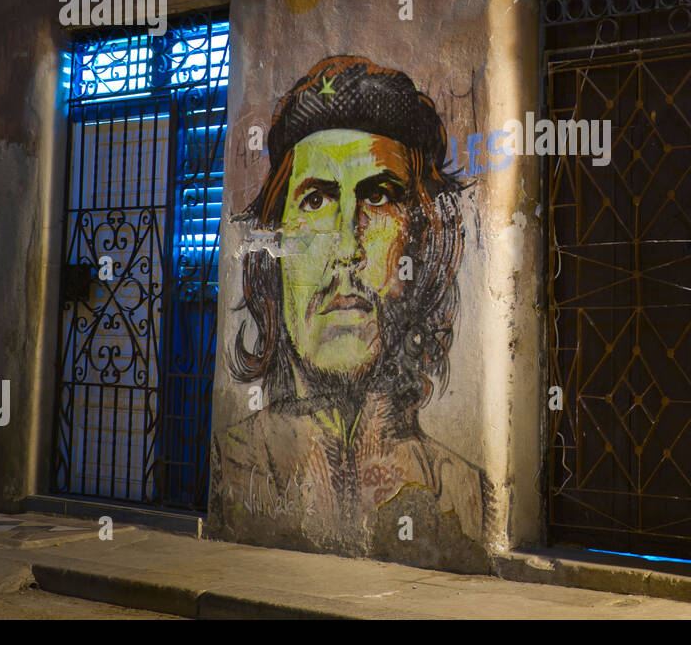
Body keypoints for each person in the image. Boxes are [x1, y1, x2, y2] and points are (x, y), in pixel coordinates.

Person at [209, 55, 489, 571]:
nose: (345, 247)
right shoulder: (228, 466)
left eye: (379, 197)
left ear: (421, 244)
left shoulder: (464, 493)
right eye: (315, 201)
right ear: (274, 242)